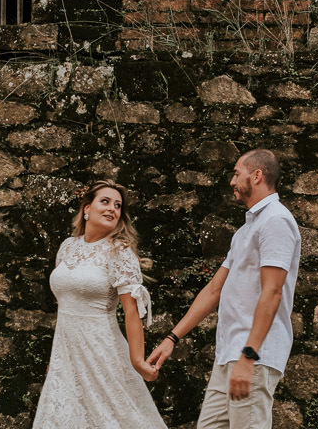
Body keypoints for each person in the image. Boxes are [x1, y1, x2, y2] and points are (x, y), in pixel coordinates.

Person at [147, 149, 301, 429]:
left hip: (252, 355)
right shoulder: (245, 230)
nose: (232, 181)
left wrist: (249, 356)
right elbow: (214, 289)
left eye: (236, 172)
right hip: (230, 353)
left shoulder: (276, 221)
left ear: (257, 175)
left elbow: (273, 292)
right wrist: (172, 338)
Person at [32, 179, 167, 429]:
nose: (112, 209)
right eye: (105, 201)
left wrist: (137, 361)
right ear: (86, 209)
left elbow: (131, 311)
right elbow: (65, 305)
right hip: (66, 353)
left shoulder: (120, 251)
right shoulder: (67, 247)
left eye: (118, 206)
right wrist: (56, 354)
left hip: (100, 350)